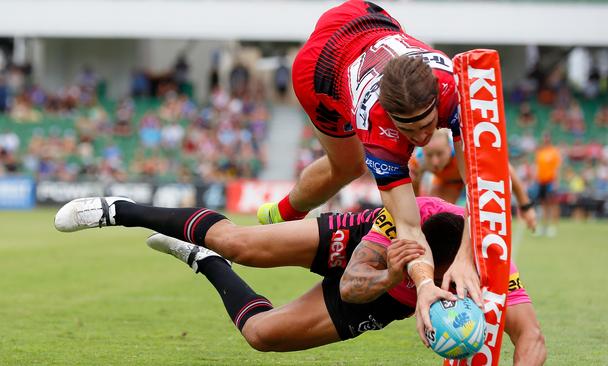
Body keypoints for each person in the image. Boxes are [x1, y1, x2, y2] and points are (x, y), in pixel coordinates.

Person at [54, 196, 546, 365]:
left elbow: (531, 337)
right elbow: (354, 282)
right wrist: (397, 273)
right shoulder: (406, 221)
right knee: (243, 244)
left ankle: (202, 261)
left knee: (261, 336)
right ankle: (118, 210)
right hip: (365, 256)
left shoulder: (493, 265)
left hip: (388, 300)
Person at [253, 0, 477, 339]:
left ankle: (283, 216)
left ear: (437, 101)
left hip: (363, 16)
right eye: (408, 129)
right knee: (348, 167)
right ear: (389, 118)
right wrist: (425, 284)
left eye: (427, 125)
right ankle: (284, 214)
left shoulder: (457, 89)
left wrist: (465, 258)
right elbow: (407, 224)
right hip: (320, 67)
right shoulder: (377, 130)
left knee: (468, 165)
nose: (420, 138)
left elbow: (481, 185)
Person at [409, 129, 537, 231]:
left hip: (474, 178)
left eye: (440, 154)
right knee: (434, 222)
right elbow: (416, 200)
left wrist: (525, 206)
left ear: (449, 147)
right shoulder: (417, 162)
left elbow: (505, 168)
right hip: (447, 183)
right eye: (429, 155)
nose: (435, 161)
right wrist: (415, 183)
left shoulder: (466, 152)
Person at [534, 133, 562, 237]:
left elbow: (557, 168)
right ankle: (543, 227)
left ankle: (552, 227)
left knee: (552, 204)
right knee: (543, 204)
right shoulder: (540, 152)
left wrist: (556, 182)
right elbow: (538, 167)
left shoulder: (554, 152)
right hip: (541, 181)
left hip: (550, 181)